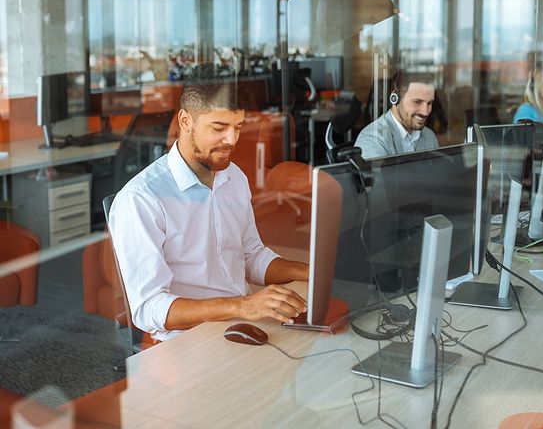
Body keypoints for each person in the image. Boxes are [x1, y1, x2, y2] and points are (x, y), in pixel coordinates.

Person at [109, 73, 309, 342]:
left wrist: (311, 271)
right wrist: (242, 306)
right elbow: (148, 308)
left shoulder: (234, 178)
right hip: (187, 340)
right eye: (219, 128)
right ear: (185, 121)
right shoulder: (141, 199)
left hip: (243, 322)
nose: (232, 139)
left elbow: (251, 257)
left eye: (238, 126)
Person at [354, 71, 439, 159]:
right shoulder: (372, 139)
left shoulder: (428, 136)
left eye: (429, 103)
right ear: (395, 99)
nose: (425, 112)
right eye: (417, 102)